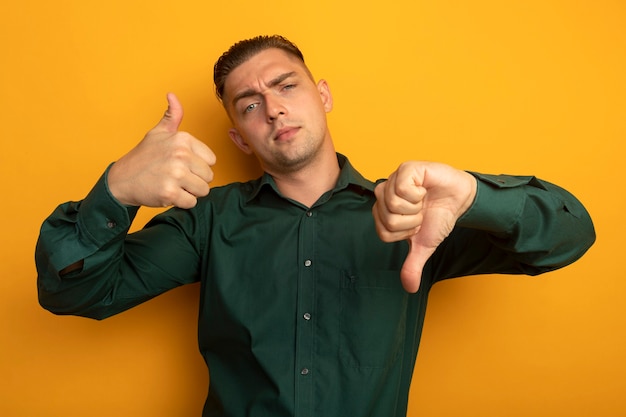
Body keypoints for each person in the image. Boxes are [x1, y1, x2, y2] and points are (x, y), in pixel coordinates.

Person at [36, 35, 595, 417]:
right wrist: (114, 191)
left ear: (322, 95)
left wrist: (475, 196)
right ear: (238, 136)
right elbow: (73, 290)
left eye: (286, 86)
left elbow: (571, 236)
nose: (273, 109)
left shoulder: (413, 212)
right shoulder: (207, 220)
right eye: (249, 105)